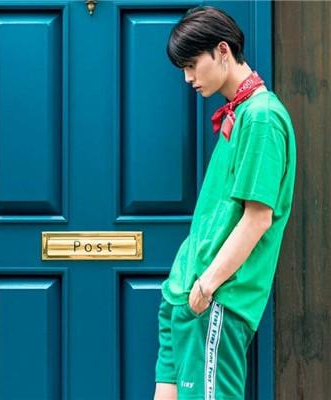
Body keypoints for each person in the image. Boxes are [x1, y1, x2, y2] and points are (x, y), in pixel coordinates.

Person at [153, 5, 296, 400]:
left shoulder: (262, 117)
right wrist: (188, 288)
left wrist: (207, 286)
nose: (187, 77)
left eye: (191, 64)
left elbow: (257, 218)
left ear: (222, 51)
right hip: (184, 295)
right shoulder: (241, 113)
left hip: (215, 298)